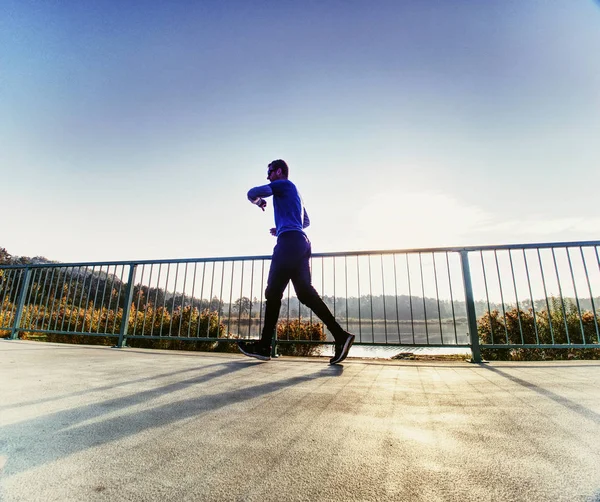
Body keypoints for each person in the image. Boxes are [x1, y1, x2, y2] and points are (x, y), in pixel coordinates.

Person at [238, 159, 355, 364]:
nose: (268, 176)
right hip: (301, 242)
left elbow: (251, 192)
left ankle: (264, 346)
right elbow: (306, 221)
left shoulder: (283, 184)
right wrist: (283, 226)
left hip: (289, 242)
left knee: (273, 293)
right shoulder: (295, 193)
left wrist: (259, 202)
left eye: (270, 172)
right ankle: (340, 335)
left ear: (280, 171)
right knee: (305, 293)